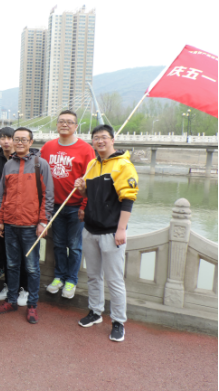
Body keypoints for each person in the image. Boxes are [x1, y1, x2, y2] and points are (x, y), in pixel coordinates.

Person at [75, 124, 139, 343]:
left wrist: (121, 229)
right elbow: (88, 195)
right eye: (96, 138)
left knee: (114, 279)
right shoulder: (92, 164)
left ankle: (118, 321)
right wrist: (82, 189)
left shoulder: (123, 165)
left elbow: (128, 199)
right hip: (90, 229)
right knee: (93, 275)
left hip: (111, 232)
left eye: (104, 137)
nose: (100, 141)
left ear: (112, 140)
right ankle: (95, 311)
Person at [0, 127, 54, 324]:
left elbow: (48, 195)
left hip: (30, 225)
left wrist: (43, 221)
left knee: (32, 267)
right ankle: (11, 300)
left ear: (30, 142)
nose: (19, 142)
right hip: (10, 224)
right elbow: (2, 195)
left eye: (23, 139)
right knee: (11, 265)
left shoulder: (40, 164)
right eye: (16, 139)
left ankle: (32, 304)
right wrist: (0, 220)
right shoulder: (8, 165)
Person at [41, 110, 95, 299]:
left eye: (69, 122)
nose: (65, 124)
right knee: (57, 244)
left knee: (74, 245)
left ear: (76, 126)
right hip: (54, 206)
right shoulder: (47, 147)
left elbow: (90, 180)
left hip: (75, 206)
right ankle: (59, 277)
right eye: (61, 121)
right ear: (57, 124)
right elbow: (41, 176)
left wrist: (84, 205)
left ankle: (71, 280)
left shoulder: (86, 149)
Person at [0, 127, 28, 306]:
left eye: (9, 138)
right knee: (7, 255)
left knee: (24, 255)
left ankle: (24, 288)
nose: (6, 141)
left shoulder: (25, 160)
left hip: (22, 214)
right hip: (4, 213)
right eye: (2, 138)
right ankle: (9, 285)